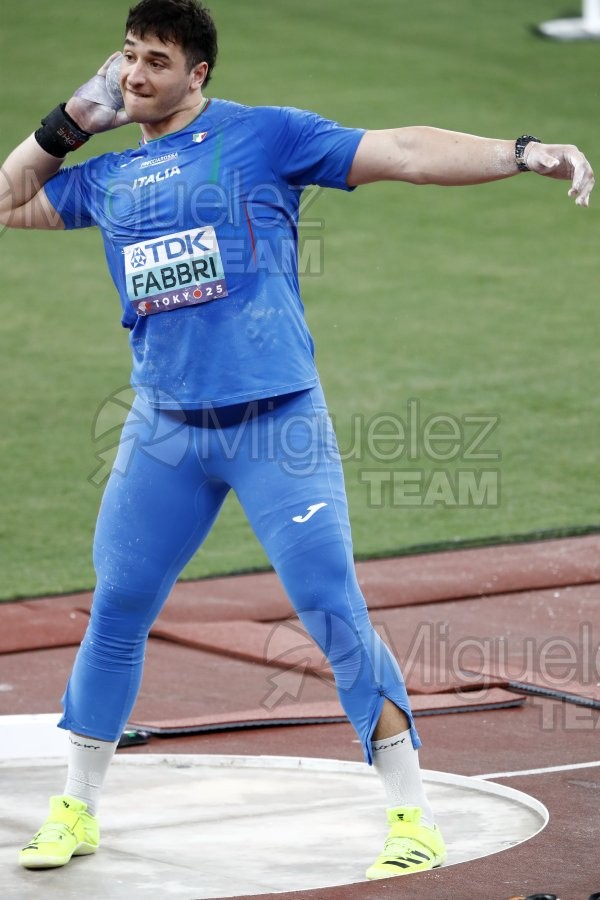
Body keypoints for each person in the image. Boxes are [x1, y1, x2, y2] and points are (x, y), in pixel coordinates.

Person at [1, 0, 593, 882]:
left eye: (156, 59)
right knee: (118, 608)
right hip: (165, 433)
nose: (134, 74)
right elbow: (7, 198)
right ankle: (76, 809)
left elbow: (405, 151)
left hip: (276, 426)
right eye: (126, 57)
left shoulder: (266, 137)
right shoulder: (110, 177)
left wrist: (521, 151)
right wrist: (69, 122)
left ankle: (412, 817)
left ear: (198, 73)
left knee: (331, 610)